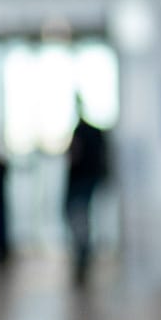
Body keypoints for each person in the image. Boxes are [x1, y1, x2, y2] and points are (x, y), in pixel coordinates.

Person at [63, 98, 112, 288]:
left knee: (79, 222)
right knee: (82, 222)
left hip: (80, 186)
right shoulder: (94, 133)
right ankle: (83, 258)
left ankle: (82, 259)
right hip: (87, 184)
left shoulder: (83, 132)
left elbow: (75, 157)